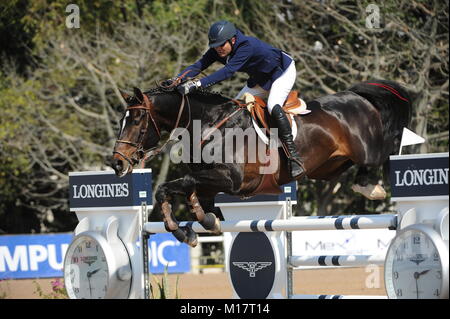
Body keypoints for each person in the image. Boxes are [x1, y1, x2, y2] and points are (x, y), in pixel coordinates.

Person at [175, 20, 305, 179]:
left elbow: (227, 72)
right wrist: (177, 79)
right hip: (260, 78)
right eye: (215, 45)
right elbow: (199, 65)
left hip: (281, 73)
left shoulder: (247, 46)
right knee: (232, 109)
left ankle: (293, 156)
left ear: (233, 40)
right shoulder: (218, 49)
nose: (218, 49)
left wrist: (197, 84)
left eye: (222, 45)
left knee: (272, 105)